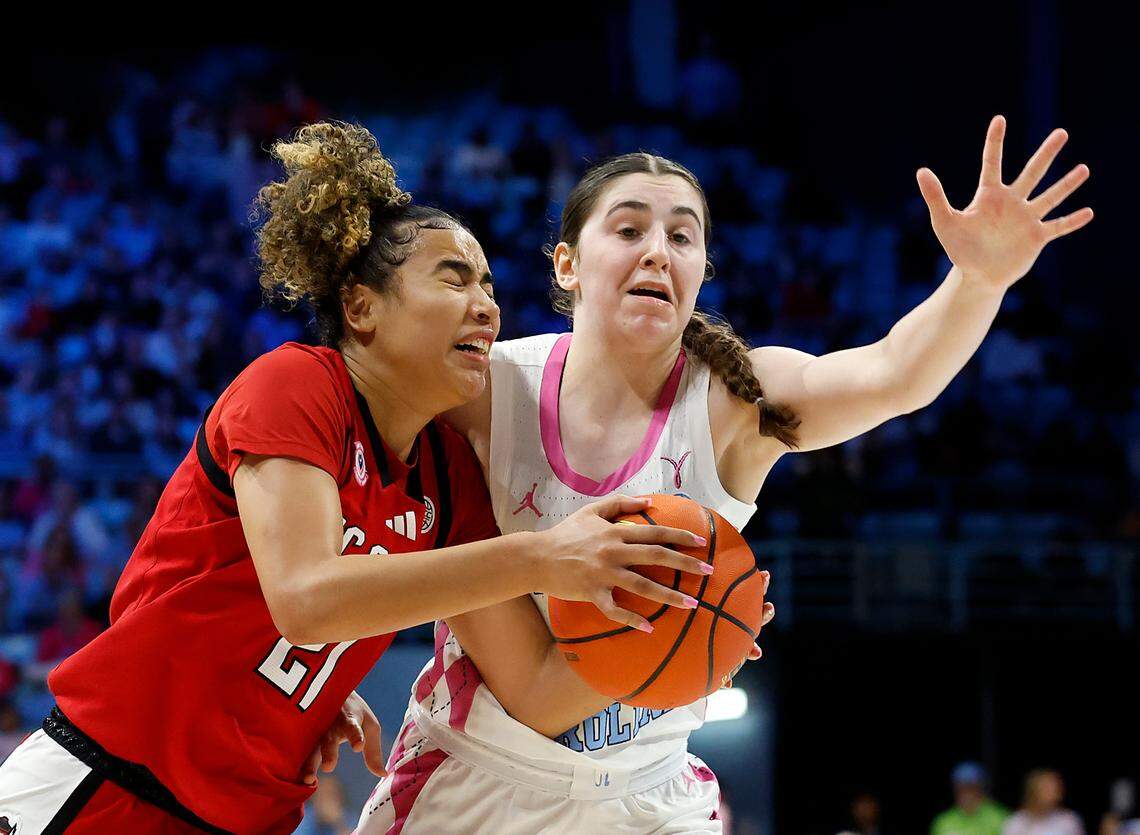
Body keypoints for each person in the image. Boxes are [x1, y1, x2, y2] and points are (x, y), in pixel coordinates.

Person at [359, 114, 1092, 834]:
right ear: (567, 264)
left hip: (646, 794)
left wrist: (978, 281)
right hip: (479, 771)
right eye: (628, 228)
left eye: (682, 236)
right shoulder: (486, 389)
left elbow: (894, 374)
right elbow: (354, 485)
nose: (657, 251)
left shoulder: (732, 402)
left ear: (700, 272)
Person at [0, 123, 704, 834]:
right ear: (361, 307)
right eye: (454, 278)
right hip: (113, 784)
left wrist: (678, 627)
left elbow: (536, 691)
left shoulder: (448, 472)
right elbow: (306, 597)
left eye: (489, 285)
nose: (487, 305)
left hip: (248, 816)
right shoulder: (296, 384)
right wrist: (542, 556)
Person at [931, 762, 1009, 835]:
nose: (966, 792)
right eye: (960, 787)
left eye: (971, 787)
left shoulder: (1001, 818)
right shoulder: (943, 821)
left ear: (981, 788)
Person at [1003, 769, 1084, 835]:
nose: (1053, 793)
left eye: (1055, 789)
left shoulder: (1069, 821)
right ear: (1033, 791)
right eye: (1046, 789)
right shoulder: (1018, 821)